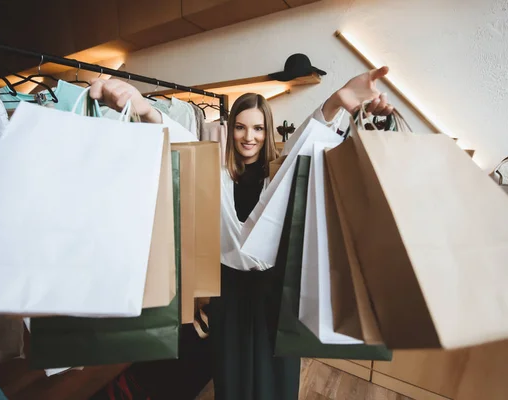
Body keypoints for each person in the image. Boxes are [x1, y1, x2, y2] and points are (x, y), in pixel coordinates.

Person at [89, 66, 394, 400]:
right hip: (228, 291)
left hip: (273, 291)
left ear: (268, 131)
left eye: (259, 129)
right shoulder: (217, 172)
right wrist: (146, 109)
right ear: (230, 130)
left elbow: (306, 139)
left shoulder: (279, 173)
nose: (250, 137)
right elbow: (184, 142)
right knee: (231, 372)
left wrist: (337, 101)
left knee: (276, 375)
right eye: (241, 127)